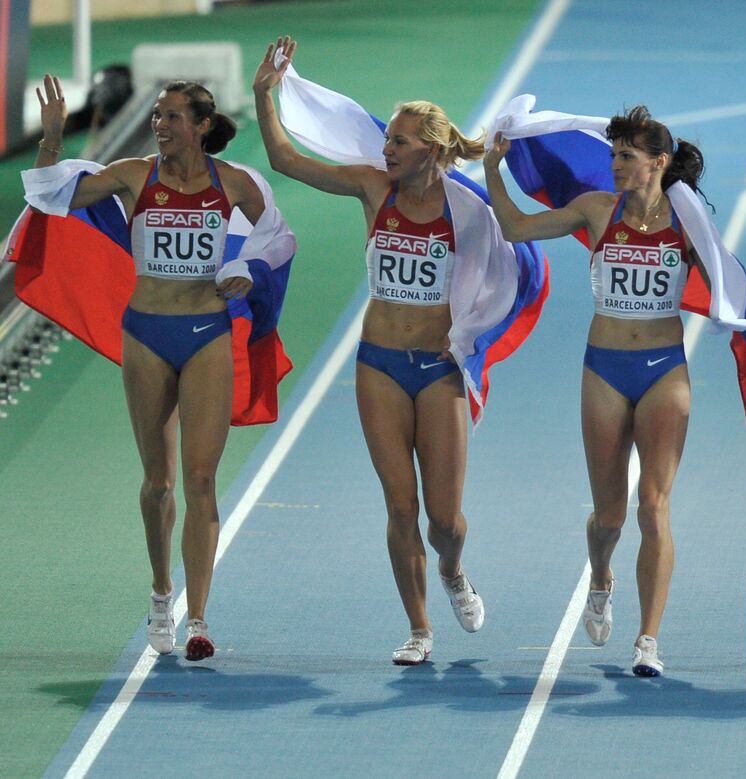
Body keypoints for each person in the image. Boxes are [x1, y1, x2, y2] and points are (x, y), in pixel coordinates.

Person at [23, 74, 292, 661]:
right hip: (145, 335)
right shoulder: (133, 176)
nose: (160, 126)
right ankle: (159, 591)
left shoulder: (238, 184)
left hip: (207, 336)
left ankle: (197, 619)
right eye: (157, 116)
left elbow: (279, 238)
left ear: (200, 126)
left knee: (200, 480)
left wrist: (250, 266)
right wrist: (52, 139)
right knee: (160, 482)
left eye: (172, 117)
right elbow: (47, 194)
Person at [253, 37, 498, 665]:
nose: (385, 148)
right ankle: (419, 629)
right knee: (399, 504)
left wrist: (470, 334)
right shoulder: (372, 189)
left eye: (398, 142)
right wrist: (265, 94)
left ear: (434, 151)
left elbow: (504, 270)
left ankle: (451, 569)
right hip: (379, 365)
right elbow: (285, 161)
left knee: (444, 519)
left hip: (438, 371)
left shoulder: (467, 211)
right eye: (386, 138)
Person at [484, 107, 710, 677]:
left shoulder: (688, 221)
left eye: (626, 157)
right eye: (612, 155)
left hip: (664, 369)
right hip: (605, 369)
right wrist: (492, 170)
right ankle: (602, 576)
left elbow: (727, 280)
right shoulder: (595, 211)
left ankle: (649, 640)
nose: (614, 165)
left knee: (654, 508)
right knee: (609, 518)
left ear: (658, 163)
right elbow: (515, 228)